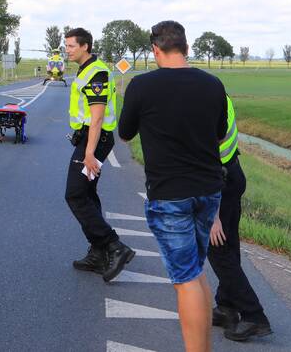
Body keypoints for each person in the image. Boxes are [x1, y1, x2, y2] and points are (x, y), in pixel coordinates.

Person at [118, 20, 226, 352]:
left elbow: (125, 133)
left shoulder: (142, 85)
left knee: (186, 279)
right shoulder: (212, 84)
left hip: (170, 195)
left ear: (155, 50)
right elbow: (220, 133)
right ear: (187, 48)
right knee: (197, 271)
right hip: (209, 191)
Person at [62, 27, 135, 282]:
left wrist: (90, 153)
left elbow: (97, 116)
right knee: (88, 194)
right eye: (66, 45)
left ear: (85, 46)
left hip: (96, 140)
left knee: (74, 194)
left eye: (71, 46)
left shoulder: (97, 72)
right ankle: (98, 252)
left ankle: (114, 246)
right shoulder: (86, 69)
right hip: (88, 139)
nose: (67, 50)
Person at [208, 97, 272, 342]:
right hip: (233, 173)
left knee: (216, 246)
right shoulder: (220, 97)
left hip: (219, 181)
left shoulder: (204, 102)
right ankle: (226, 306)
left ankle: (254, 315)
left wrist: (213, 216)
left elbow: (209, 155)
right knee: (229, 244)